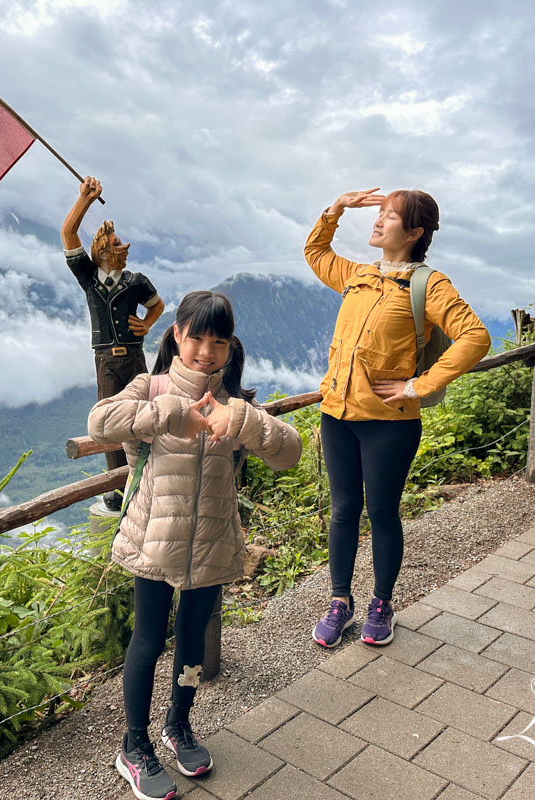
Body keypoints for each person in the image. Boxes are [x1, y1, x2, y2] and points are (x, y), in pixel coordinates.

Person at [89, 291, 302, 800]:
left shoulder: (236, 403)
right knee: (147, 641)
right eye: (197, 338)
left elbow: (289, 453)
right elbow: (99, 422)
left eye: (218, 342)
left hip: (212, 543)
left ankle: (178, 724)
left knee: (191, 642)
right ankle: (134, 745)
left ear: (230, 346)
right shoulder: (153, 387)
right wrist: (167, 414)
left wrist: (245, 422)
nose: (206, 352)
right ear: (177, 335)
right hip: (154, 542)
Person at [304, 188, 490, 648]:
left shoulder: (430, 285)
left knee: (383, 513)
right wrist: (336, 209)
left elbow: (475, 337)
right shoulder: (358, 275)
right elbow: (316, 253)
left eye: (390, 216)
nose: (379, 220)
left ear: (414, 232)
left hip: (389, 424)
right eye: (381, 213)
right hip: (336, 414)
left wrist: (417, 386)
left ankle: (382, 604)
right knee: (343, 511)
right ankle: (339, 601)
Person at [62, 176, 166, 511]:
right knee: (108, 420)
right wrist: (85, 200)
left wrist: (146, 325)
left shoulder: (136, 281)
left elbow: (158, 305)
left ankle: (148, 473)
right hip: (106, 361)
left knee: (143, 414)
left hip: (134, 357)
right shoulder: (88, 277)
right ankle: (118, 485)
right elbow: (68, 233)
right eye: (116, 243)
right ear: (102, 250)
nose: (124, 247)